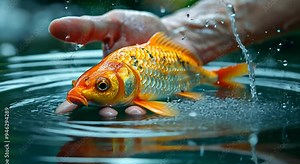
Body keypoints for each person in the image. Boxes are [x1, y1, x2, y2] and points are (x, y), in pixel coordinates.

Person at [49, 0, 300, 117]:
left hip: (184, 65)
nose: (96, 89)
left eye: (103, 86)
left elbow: (163, 109)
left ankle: (222, 79)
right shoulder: (119, 65)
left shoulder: (138, 87)